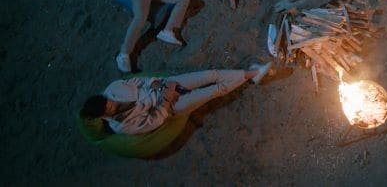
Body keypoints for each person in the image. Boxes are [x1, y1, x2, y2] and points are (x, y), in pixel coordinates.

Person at [80, 63, 272, 135]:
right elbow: (153, 121)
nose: (113, 103)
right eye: (110, 107)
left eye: (109, 100)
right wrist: (167, 100)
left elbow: (142, 81)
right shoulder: (122, 126)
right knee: (214, 91)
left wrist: (162, 86)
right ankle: (253, 73)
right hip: (170, 107)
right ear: (105, 115)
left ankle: (251, 73)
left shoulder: (112, 89)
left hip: (165, 86)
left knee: (209, 74)